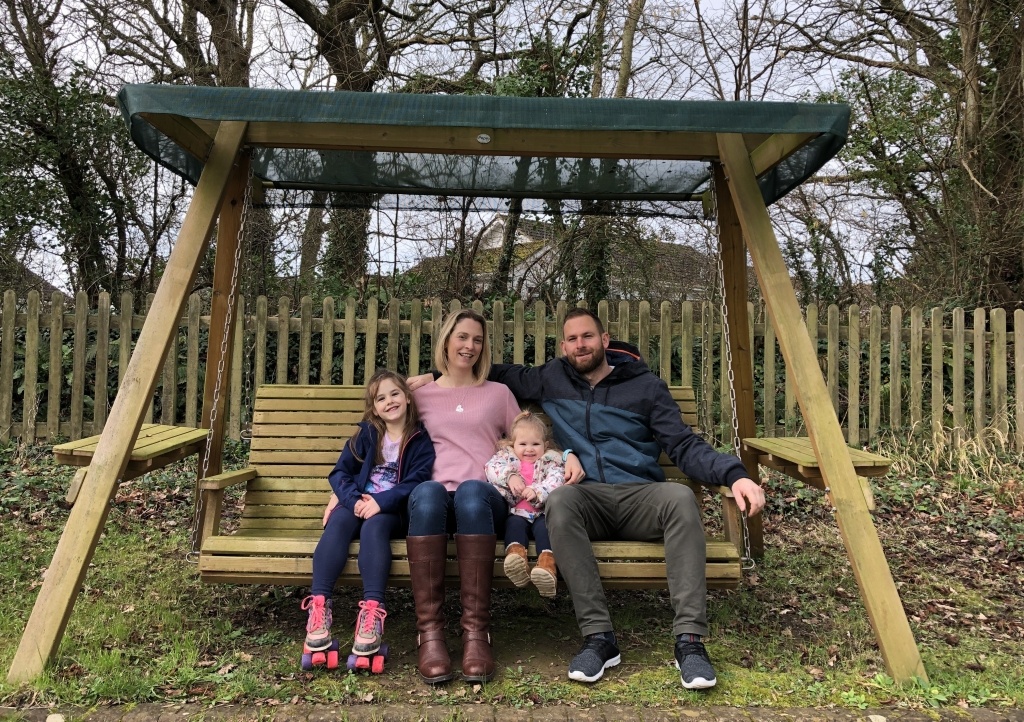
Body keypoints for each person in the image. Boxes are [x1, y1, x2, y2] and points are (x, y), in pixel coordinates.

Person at [410, 308, 764, 690]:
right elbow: (484, 369)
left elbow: (682, 444)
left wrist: (736, 475)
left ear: (605, 340)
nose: (581, 345)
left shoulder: (645, 388)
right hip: (584, 497)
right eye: (573, 340)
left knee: (679, 497)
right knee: (559, 502)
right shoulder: (552, 378)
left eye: (588, 337)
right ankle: (599, 638)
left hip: (640, 494)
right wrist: (434, 376)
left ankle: (690, 642)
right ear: (564, 347)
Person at [405, 308, 584, 684]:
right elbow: (379, 437)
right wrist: (343, 493)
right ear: (446, 340)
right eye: (462, 337)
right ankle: (431, 634)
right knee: (427, 491)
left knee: (472, 490)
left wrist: (566, 455)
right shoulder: (420, 394)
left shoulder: (499, 393)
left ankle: (475, 633)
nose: (469, 346)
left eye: (477, 339)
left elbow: (531, 441)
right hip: (432, 503)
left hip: (484, 504)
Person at [303, 369, 435, 663]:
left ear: (408, 398)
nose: (389, 401)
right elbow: (340, 473)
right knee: (337, 522)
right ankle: (319, 607)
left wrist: (380, 502)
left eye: (395, 394)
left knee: (373, 528)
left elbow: (417, 481)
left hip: (391, 511)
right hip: (359, 502)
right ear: (374, 407)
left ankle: (372, 612)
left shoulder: (420, 439)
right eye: (381, 398)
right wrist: (352, 501)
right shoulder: (366, 434)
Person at [485, 410, 566, 598]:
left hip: (541, 512)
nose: (529, 449)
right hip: (516, 511)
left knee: (545, 529)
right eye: (523, 444)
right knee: (513, 525)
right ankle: (516, 559)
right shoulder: (506, 458)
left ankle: (547, 567)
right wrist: (510, 476)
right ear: (513, 444)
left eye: (535, 444)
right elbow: (491, 468)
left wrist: (539, 491)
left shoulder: (551, 461)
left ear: (545, 445)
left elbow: (557, 478)